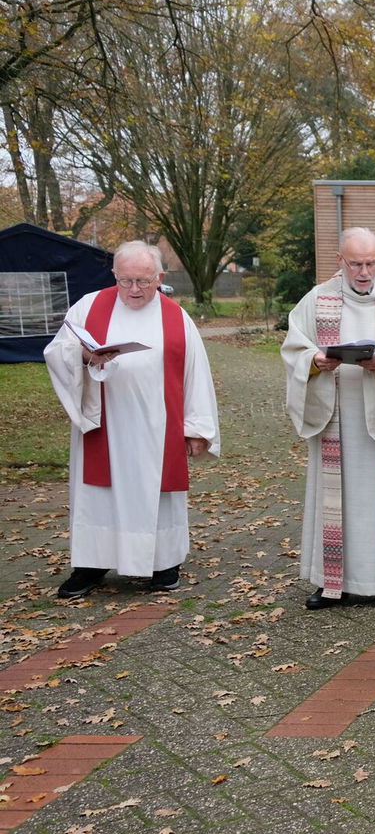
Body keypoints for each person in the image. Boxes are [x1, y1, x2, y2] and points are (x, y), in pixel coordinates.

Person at [43, 241, 220, 598]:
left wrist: (197, 428)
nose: (134, 290)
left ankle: (163, 564)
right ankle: (91, 566)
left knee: (158, 497)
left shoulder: (176, 317)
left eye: (143, 281)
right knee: (97, 496)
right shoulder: (89, 306)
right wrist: (82, 354)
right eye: (126, 281)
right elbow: (56, 351)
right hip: (103, 422)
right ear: (114, 275)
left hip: (158, 427)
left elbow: (195, 373)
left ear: (160, 277)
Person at [282, 228, 375, 609]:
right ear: (341, 260)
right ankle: (331, 582)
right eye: (356, 264)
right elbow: (294, 349)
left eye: (370, 263)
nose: (364, 272)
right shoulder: (317, 301)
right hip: (337, 417)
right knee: (337, 500)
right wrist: (315, 361)